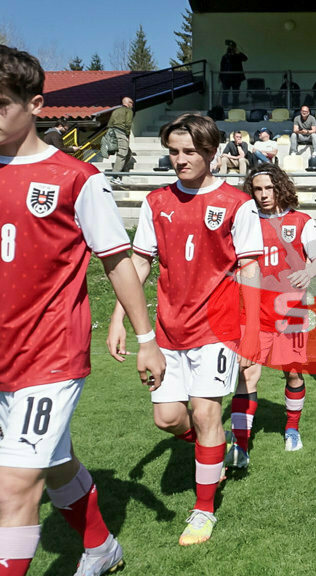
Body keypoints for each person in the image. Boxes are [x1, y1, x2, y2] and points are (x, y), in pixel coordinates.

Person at [0, 45, 164, 576]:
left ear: (37, 104)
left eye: (1, 103)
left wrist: (145, 338)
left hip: (48, 352)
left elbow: (117, 261)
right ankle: (101, 547)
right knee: (52, 463)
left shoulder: (77, 179)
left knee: (15, 482)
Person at [109, 113, 264, 547]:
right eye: (173, 152)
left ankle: (203, 511)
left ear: (211, 152)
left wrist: (251, 330)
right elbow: (139, 262)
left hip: (217, 329)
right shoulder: (156, 202)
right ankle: (213, 450)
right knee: (169, 418)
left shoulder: (238, 203)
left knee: (206, 410)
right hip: (166, 331)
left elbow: (250, 267)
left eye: (188, 152)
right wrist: (120, 316)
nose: (179, 160)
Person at [225, 163, 316, 469]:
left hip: (290, 311)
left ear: (281, 187)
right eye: (257, 189)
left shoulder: (302, 221)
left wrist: (308, 270)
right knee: (247, 373)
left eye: (269, 188)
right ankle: (241, 447)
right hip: (252, 312)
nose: (263, 194)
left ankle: (292, 428)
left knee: (293, 373)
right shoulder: (245, 222)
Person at [105, 96, 134, 182]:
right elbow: (128, 124)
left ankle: (120, 170)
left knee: (128, 153)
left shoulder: (115, 111)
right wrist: (127, 135)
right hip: (121, 133)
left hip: (112, 132)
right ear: (127, 103)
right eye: (131, 103)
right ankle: (115, 176)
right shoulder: (128, 111)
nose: (132, 105)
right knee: (122, 154)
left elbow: (109, 124)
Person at [219, 39, 247, 108]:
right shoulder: (225, 57)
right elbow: (222, 67)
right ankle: (224, 107)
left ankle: (235, 108)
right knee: (225, 94)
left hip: (236, 78)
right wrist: (220, 77)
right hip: (226, 78)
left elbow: (245, 58)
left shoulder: (238, 56)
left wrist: (238, 52)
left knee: (235, 94)